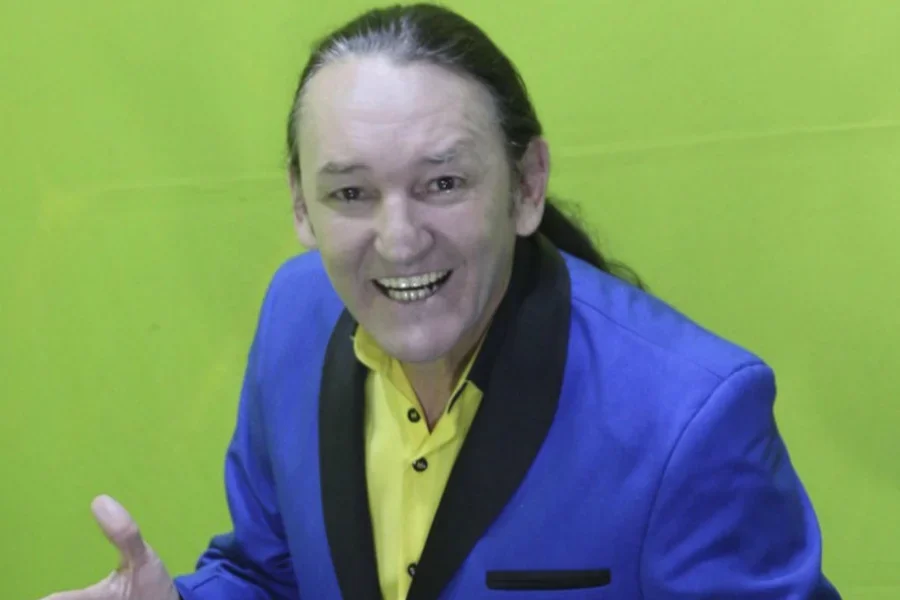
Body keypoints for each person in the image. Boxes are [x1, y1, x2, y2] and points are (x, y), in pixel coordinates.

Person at [40, 3, 841, 600]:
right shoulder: (295, 315)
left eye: (444, 183)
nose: (398, 240)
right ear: (300, 207)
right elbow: (271, 573)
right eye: (350, 193)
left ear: (526, 186)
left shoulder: (691, 417)